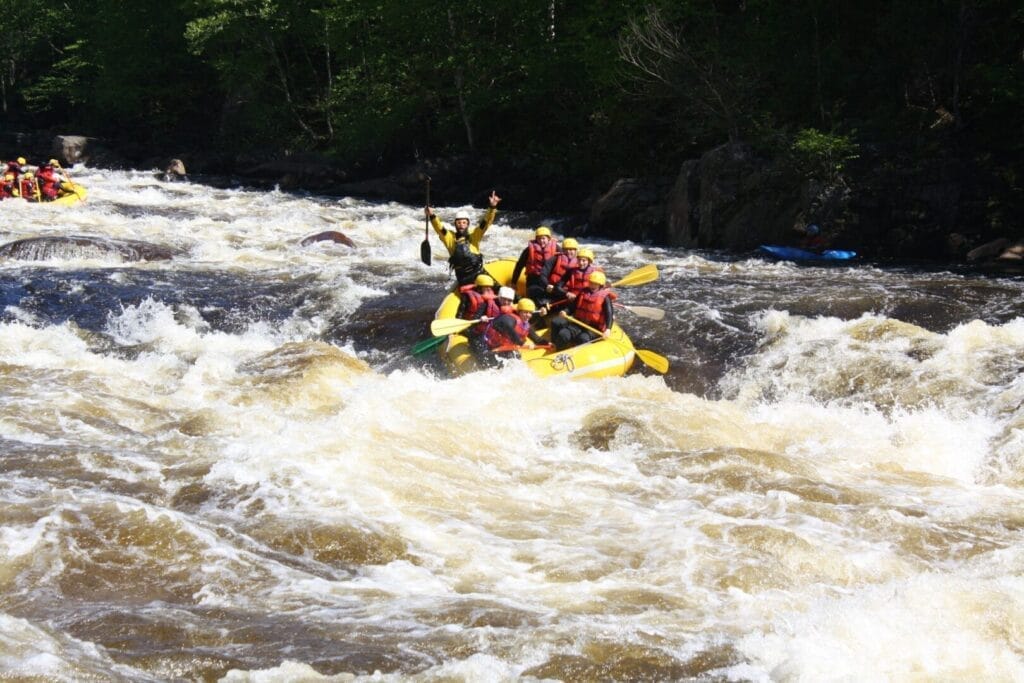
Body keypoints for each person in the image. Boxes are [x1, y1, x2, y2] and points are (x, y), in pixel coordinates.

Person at [426, 190, 501, 286]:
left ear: (468, 224)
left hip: (479, 273)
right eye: (459, 222)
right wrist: (431, 215)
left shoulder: (474, 235)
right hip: (463, 278)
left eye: (464, 223)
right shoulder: (450, 238)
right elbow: (439, 228)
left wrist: (492, 207)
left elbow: (486, 222)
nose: (461, 225)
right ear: (455, 224)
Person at [549, 270, 616, 350]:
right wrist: (565, 311)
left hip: (594, 327)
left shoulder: (605, 297)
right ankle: (559, 351)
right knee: (563, 334)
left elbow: (609, 314)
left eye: (595, 283)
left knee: (583, 339)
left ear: (600, 284)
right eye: (591, 282)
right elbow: (572, 306)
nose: (592, 284)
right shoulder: (583, 292)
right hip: (579, 323)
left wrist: (608, 329)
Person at [511, 226, 559, 303]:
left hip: (549, 280)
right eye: (539, 238)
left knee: (551, 295)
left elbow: (564, 263)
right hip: (533, 279)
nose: (541, 241)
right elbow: (519, 266)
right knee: (534, 296)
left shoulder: (556, 248)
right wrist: (514, 282)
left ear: (549, 239)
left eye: (543, 238)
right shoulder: (529, 250)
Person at [457, 273, 501, 355]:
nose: (489, 289)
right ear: (479, 288)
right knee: (478, 340)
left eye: (490, 287)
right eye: (486, 287)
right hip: (469, 327)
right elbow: (460, 314)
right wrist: (459, 328)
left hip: (485, 328)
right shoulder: (467, 298)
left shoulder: (492, 298)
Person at [538, 237, 579, 310]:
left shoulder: (580, 264)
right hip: (553, 291)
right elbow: (543, 274)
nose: (569, 252)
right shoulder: (554, 259)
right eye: (567, 249)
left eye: (572, 250)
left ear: (576, 251)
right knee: (542, 303)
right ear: (563, 250)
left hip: (568, 295)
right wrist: (547, 285)